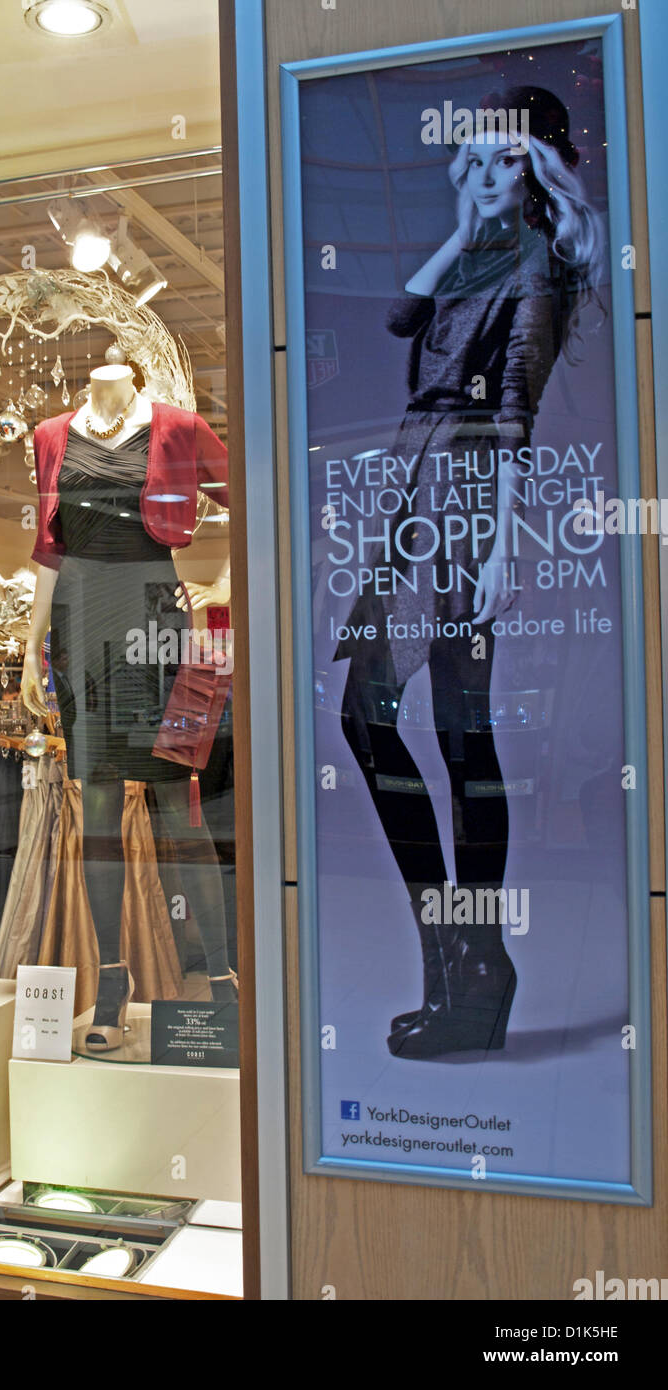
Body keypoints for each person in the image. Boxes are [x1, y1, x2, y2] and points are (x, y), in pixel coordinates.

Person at [335, 86, 604, 1060]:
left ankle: (470, 962)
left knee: (441, 728)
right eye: (475, 161)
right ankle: (462, 959)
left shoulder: (537, 266)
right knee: (422, 727)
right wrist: (461, 226)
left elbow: (516, 411)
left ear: (536, 173)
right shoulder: (483, 254)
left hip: (465, 491)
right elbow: (404, 315)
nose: (485, 176)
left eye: (505, 162)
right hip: (419, 492)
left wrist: (495, 541)